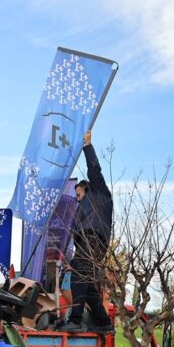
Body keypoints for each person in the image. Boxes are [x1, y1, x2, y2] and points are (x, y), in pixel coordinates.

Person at [60, 130, 114, 334]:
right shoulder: (83, 208)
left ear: (86, 188)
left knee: (79, 271)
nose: (77, 198)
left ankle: (75, 319)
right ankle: (104, 322)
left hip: (94, 240)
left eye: (78, 194)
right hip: (90, 244)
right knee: (89, 287)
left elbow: (94, 169)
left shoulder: (100, 193)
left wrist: (87, 146)